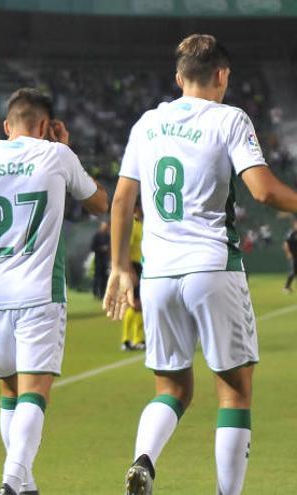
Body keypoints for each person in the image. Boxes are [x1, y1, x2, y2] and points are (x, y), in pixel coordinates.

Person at [104, 34, 297, 495]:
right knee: (234, 391)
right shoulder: (229, 118)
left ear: (178, 78)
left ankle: (144, 460)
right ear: (223, 76)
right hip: (212, 267)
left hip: (158, 273)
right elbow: (265, 190)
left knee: (170, 389)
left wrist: (118, 267)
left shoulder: (147, 122)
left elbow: (121, 201)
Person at [0, 88, 108, 495]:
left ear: (7, 125)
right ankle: (11, 483)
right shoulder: (57, 155)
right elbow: (100, 204)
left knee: (9, 391)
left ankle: (26, 484)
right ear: (45, 126)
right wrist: (66, 150)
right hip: (40, 290)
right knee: (34, 392)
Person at [121, 202, 145, 351]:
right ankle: (130, 339)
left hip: (141, 265)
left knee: (138, 304)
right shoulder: (132, 225)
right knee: (135, 303)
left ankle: (134, 339)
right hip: (133, 266)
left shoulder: (141, 224)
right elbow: (126, 249)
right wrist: (130, 270)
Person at [90, 222, 110, 299]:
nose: (105, 228)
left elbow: (110, 247)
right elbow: (92, 247)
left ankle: (102, 294)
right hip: (98, 259)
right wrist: (100, 249)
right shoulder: (97, 236)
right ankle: (95, 293)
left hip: (105, 260)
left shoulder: (108, 236)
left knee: (104, 277)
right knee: (97, 276)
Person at [283, 218, 297, 293]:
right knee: (293, 272)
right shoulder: (291, 233)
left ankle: (288, 287)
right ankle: (286, 287)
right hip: (293, 256)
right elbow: (285, 244)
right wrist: (288, 253)